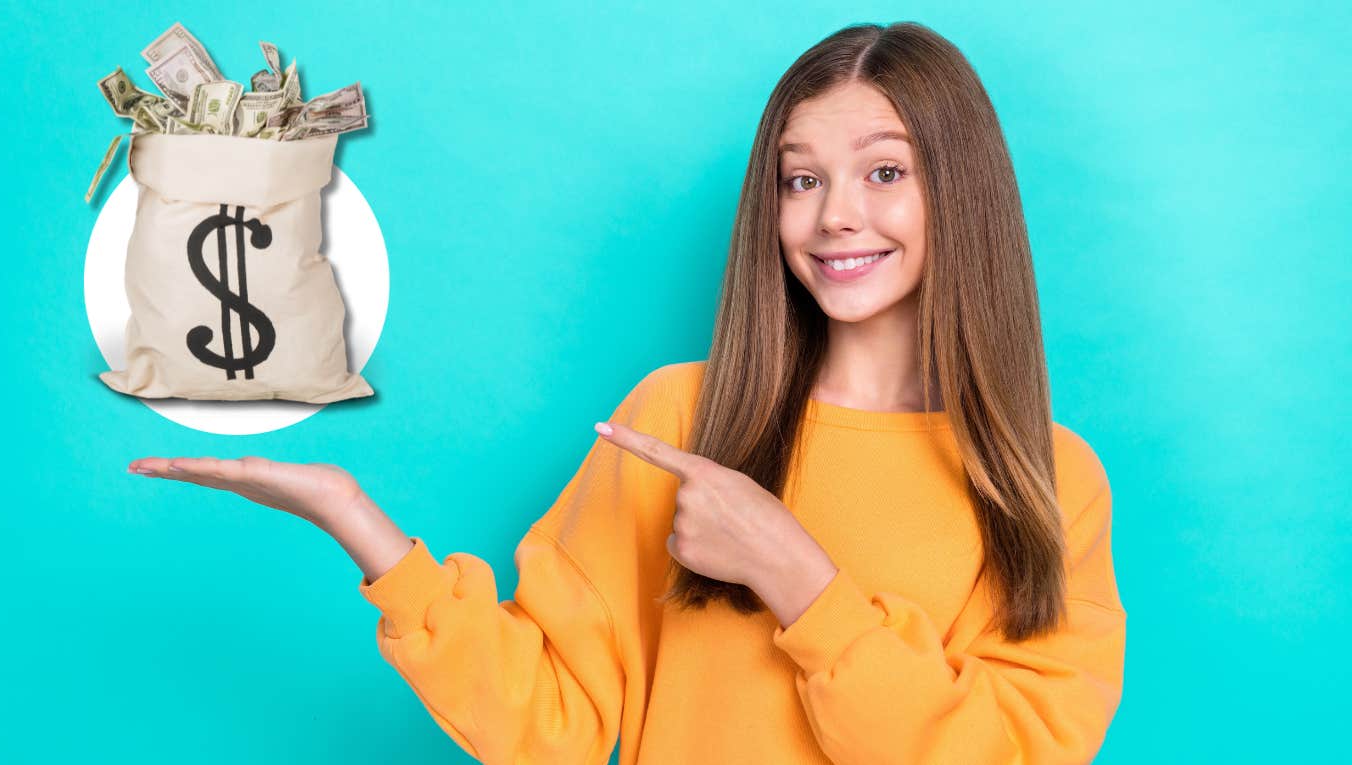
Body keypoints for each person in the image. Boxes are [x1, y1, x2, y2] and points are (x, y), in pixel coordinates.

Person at [128, 20, 1126, 764]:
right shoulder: (683, 422)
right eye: (800, 180)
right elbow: (553, 718)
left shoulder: (1046, 477)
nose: (835, 217)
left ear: (960, 191)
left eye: (884, 172)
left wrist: (799, 581)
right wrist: (365, 533)